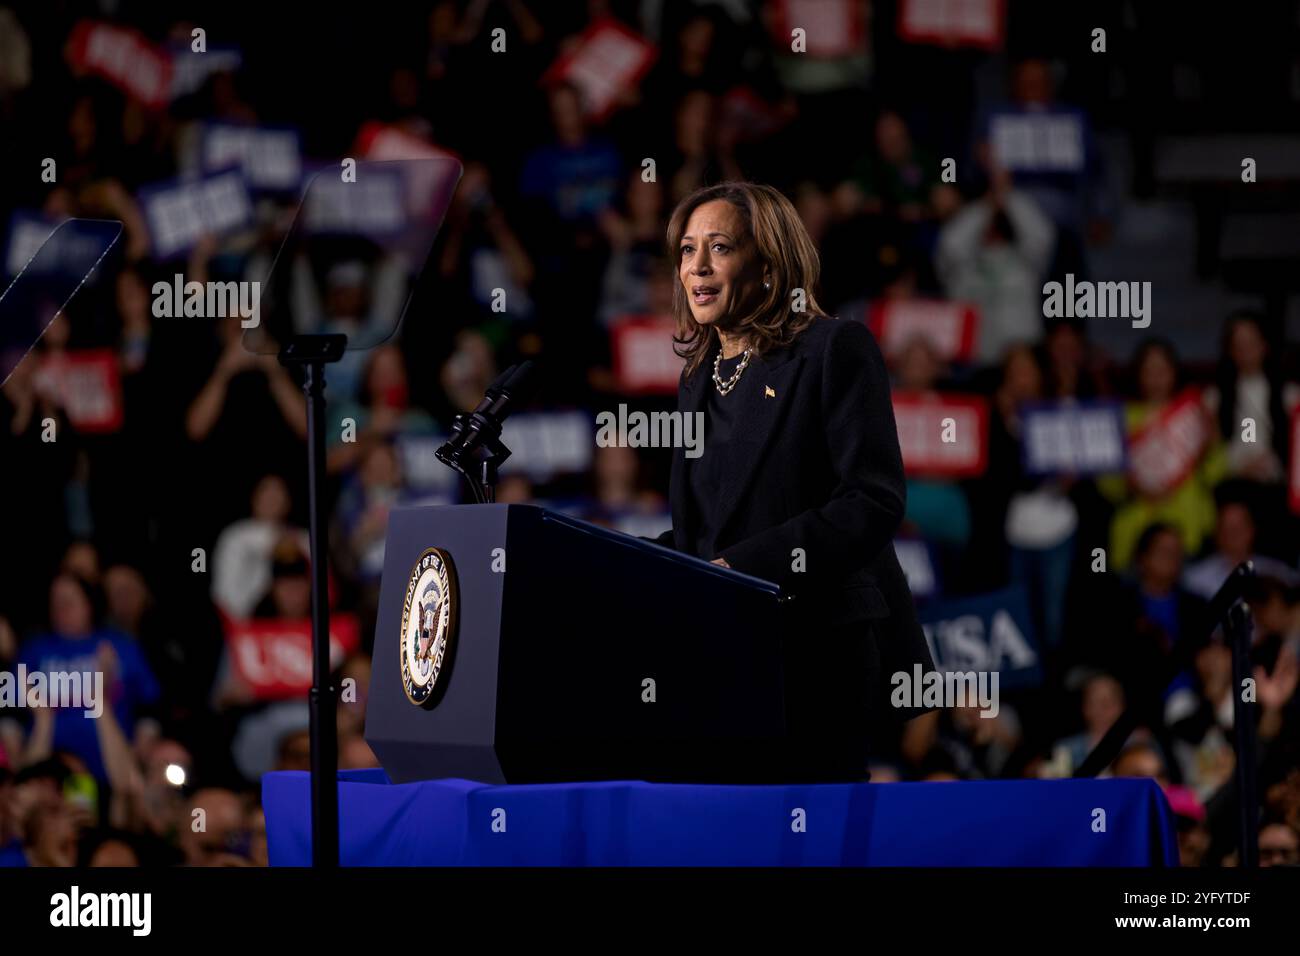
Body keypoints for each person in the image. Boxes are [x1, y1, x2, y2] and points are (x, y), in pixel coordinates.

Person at [642, 181, 935, 779]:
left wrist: (744, 569)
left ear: (769, 263)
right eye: (686, 249)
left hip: (815, 651)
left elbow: (872, 501)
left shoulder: (834, 349)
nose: (695, 267)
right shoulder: (698, 377)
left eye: (718, 247)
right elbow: (706, 530)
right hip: (724, 654)